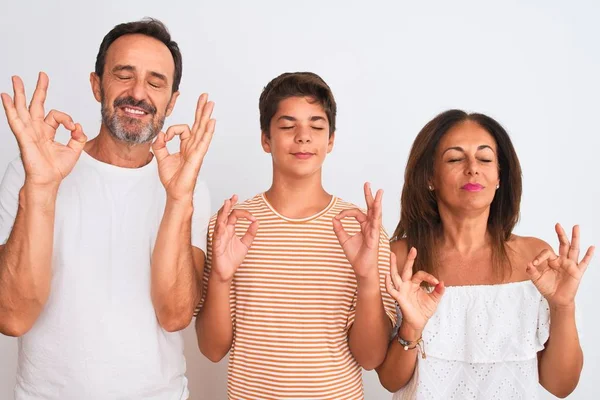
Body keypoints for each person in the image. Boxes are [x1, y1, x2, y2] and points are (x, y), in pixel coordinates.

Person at [0, 18, 215, 399]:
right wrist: (41, 189)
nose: (138, 93)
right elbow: (11, 317)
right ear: (97, 84)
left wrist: (179, 199)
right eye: (123, 74)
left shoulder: (189, 187)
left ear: (172, 100)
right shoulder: (31, 173)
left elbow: (176, 314)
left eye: (155, 82)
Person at [194, 71, 397, 400]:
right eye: (288, 126)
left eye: (317, 126)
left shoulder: (364, 231)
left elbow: (371, 358)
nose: (303, 136)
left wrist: (367, 277)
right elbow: (212, 350)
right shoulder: (231, 226)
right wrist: (219, 277)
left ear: (330, 140)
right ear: (265, 138)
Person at [376, 109, 595, 399]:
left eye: (485, 158)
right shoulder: (400, 258)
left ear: (500, 176)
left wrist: (563, 306)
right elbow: (390, 381)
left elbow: (560, 385)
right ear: (430, 177)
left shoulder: (536, 258)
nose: (472, 168)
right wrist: (412, 329)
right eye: (455, 158)